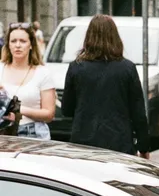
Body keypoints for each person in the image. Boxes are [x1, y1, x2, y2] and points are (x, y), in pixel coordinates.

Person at [61, 14, 149, 157]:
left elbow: (67, 109)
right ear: (115, 38)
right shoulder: (127, 68)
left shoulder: (76, 67)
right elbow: (138, 112)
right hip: (119, 143)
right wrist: (143, 147)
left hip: (84, 144)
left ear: (88, 38)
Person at [0, 22, 55, 139]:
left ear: (31, 45)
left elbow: (49, 114)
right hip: (3, 133)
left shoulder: (42, 73)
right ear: (8, 45)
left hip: (33, 133)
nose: (17, 45)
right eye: (13, 41)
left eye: (23, 41)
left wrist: (18, 109)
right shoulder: (0, 68)